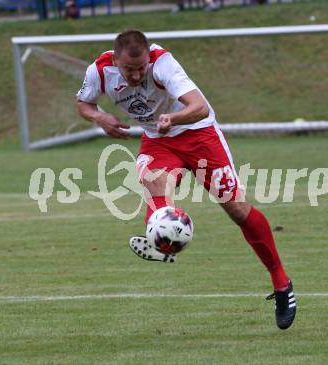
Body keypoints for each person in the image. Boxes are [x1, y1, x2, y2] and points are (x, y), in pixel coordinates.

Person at [76, 30, 296, 330]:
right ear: (115, 61)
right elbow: (84, 104)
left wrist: (174, 118)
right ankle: (161, 241)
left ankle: (282, 284)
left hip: (199, 135)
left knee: (237, 210)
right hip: (159, 141)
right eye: (130, 70)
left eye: (141, 68)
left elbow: (199, 107)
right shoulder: (99, 72)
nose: (138, 74)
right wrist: (99, 118)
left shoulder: (163, 63)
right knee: (153, 183)